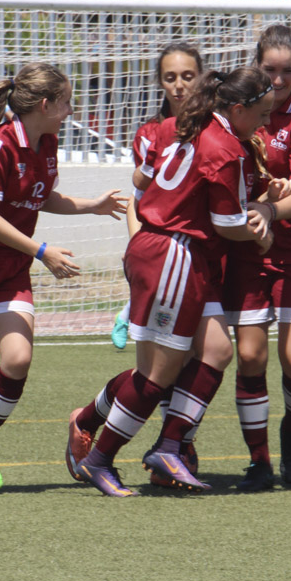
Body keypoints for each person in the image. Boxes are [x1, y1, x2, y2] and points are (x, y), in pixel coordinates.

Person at [72, 67, 275, 497]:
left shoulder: (188, 127)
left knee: (217, 349)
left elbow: (146, 180)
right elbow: (225, 222)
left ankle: (168, 446)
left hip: (178, 253)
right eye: (261, 113)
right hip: (174, 254)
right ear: (237, 109)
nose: (265, 123)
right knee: (157, 373)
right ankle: (99, 457)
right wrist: (262, 231)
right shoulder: (226, 147)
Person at [0, 64, 126, 493]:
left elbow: (42, 195)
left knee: (16, 359)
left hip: (10, 266)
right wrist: (42, 251)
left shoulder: (47, 142)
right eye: (67, 102)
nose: (71, 110)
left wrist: (91, 205)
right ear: (45, 104)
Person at [222, 24, 291, 492]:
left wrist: (266, 208)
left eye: (288, 71)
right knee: (248, 356)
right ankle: (259, 461)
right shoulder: (240, 111)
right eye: (270, 70)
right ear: (257, 66)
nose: (279, 80)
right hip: (249, 252)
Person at [111, 43, 204, 350]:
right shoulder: (149, 134)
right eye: (170, 77)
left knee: (209, 349)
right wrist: (135, 248)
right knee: (163, 351)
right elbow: (139, 199)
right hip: (164, 251)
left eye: (188, 76)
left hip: (206, 251)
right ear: (160, 82)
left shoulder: (217, 128)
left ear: (201, 77)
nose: (179, 85)